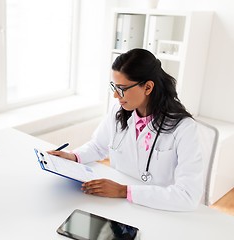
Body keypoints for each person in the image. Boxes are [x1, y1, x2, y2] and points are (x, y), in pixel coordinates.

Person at [48, 48, 203, 211]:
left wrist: (124, 191)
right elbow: (98, 145)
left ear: (148, 87)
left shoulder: (184, 128)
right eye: (114, 87)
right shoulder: (118, 110)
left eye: (122, 88)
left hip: (160, 207)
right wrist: (73, 156)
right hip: (120, 204)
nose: (115, 95)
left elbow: (188, 195)